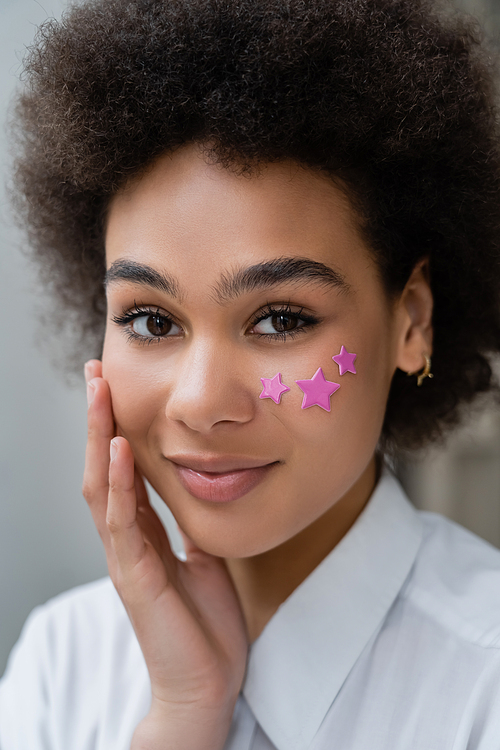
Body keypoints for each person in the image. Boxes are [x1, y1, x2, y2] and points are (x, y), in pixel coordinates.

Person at [1, 0, 500, 747]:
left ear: (412, 320)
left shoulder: (484, 685)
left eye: (281, 320)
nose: (200, 403)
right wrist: (181, 717)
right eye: (151, 321)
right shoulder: (62, 661)